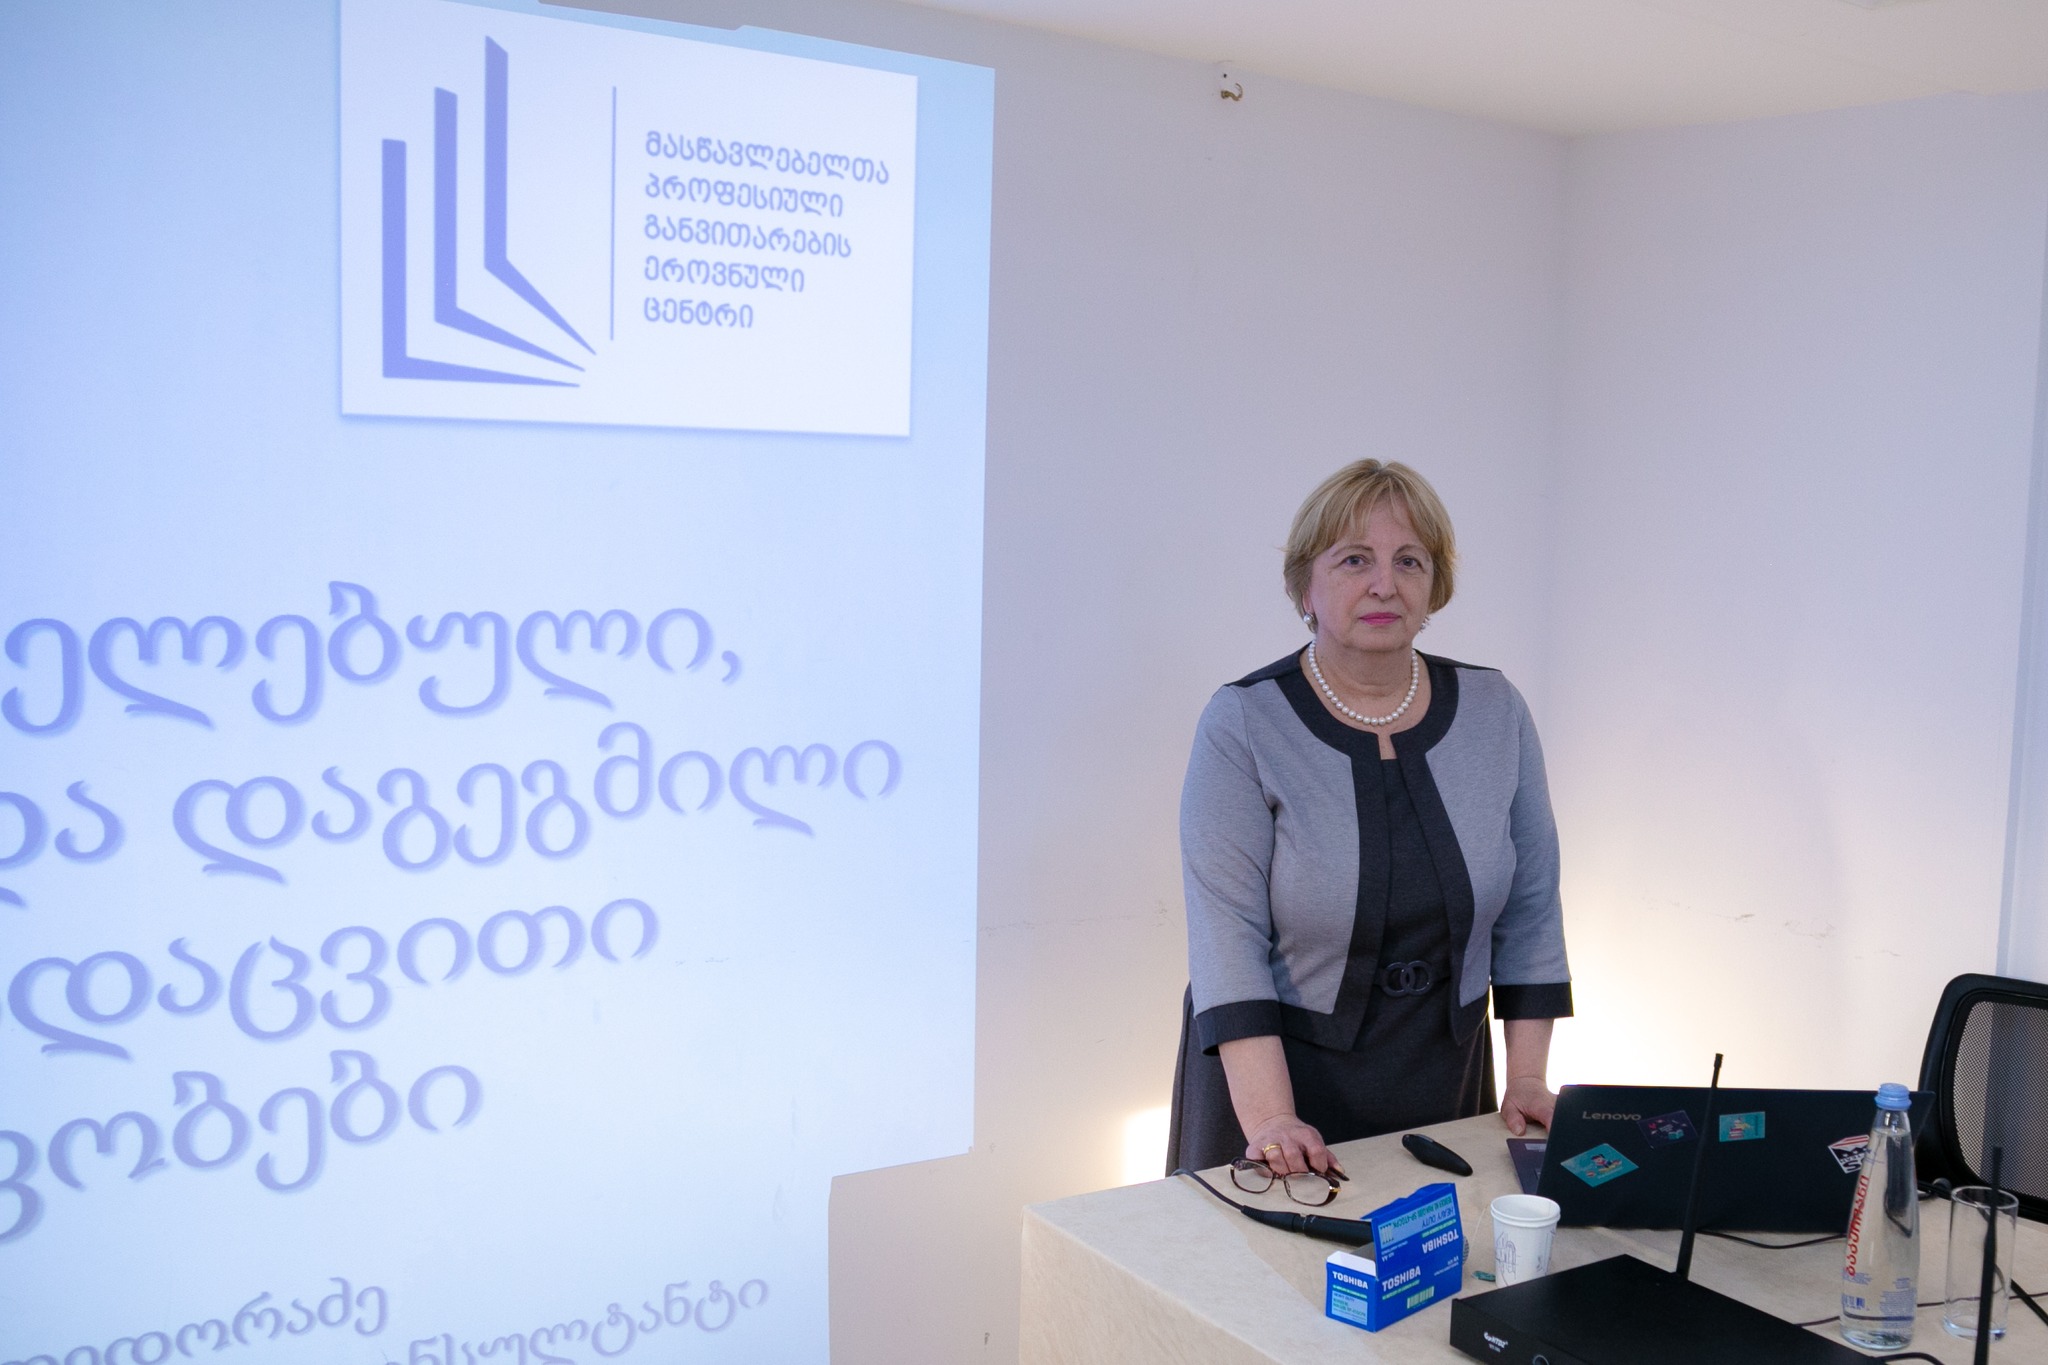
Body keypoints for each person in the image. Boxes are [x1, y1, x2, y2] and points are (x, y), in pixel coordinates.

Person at [1166, 459, 1572, 1180]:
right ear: (1305, 586)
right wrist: (1271, 1120)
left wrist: (1530, 1077)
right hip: (1273, 1091)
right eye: (1355, 559)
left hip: (1442, 1077)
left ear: (1434, 585)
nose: (1385, 583)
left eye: (1409, 560)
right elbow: (1227, 939)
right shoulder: (1244, 721)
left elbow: (1532, 908)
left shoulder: (1496, 710)